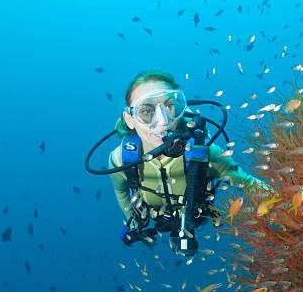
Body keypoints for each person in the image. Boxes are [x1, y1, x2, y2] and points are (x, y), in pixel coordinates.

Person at [107, 70, 269, 255]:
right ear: (130, 120)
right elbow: (120, 191)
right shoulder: (121, 160)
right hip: (155, 217)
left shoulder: (205, 153)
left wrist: (291, 203)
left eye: (169, 106)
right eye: (146, 111)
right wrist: (135, 222)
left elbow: (247, 182)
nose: (163, 121)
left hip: (197, 215)